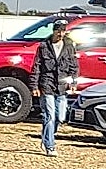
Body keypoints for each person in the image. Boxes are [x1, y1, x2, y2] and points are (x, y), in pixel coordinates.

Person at [31, 21, 79, 156]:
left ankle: (47, 134)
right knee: (50, 116)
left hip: (62, 87)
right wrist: (34, 85)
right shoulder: (44, 46)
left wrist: (74, 83)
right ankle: (49, 145)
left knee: (60, 117)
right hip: (47, 85)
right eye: (58, 31)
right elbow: (37, 67)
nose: (61, 34)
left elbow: (74, 66)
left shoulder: (69, 46)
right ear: (54, 31)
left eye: (63, 31)